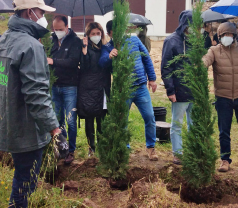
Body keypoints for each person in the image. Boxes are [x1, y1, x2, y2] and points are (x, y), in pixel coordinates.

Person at [0, 0, 62, 208]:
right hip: (26, 127)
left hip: (7, 122)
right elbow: (36, 94)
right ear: (29, 13)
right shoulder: (30, 46)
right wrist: (53, 128)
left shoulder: (2, 41)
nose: (43, 18)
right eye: (41, 13)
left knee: (22, 174)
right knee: (25, 179)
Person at [99, 20, 159, 161]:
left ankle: (151, 147)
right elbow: (101, 62)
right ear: (109, 34)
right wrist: (109, 56)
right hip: (122, 90)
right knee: (122, 121)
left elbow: (146, 58)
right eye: (116, 30)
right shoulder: (108, 47)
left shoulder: (134, 40)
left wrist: (152, 78)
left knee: (150, 117)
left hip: (140, 87)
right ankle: (125, 148)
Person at [203, 22, 238, 172]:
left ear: (235, 35)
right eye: (224, 35)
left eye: (230, 35)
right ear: (219, 36)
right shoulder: (214, 51)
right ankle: (225, 160)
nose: (227, 37)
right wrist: (200, 64)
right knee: (224, 130)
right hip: (222, 97)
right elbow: (205, 60)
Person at [47, 15, 82, 165]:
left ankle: (72, 150)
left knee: (71, 120)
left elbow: (73, 62)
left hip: (70, 86)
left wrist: (54, 61)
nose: (58, 32)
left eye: (60, 29)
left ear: (67, 27)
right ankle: (64, 148)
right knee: (58, 119)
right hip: (55, 86)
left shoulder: (75, 41)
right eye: (55, 29)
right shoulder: (51, 40)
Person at [161, 11, 194, 164]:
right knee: (177, 124)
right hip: (179, 91)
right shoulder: (171, 41)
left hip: (194, 91)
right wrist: (170, 90)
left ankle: (193, 150)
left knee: (194, 124)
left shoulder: (194, 41)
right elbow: (166, 67)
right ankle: (178, 153)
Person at [77, 22, 110, 155]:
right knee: (90, 118)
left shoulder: (105, 48)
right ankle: (91, 147)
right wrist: (84, 52)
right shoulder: (84, 47)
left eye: (98, 33)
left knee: (101, 118)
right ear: (88, 35)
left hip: (102, 87)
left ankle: (101, 146)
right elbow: (83, 68)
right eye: (93, 34)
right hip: (88, 88)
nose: (96, 36)